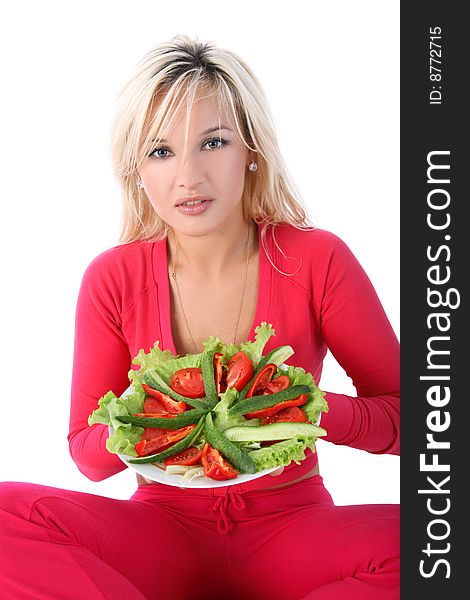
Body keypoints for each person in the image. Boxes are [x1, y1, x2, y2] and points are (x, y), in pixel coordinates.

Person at [0, 35, 399, 599]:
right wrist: (138, 421)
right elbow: (87, 457)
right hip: (162, 533)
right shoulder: (112, 277)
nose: (188, 176)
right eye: (161, 152)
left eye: (212, 143)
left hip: (293, 530)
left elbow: (416, 423)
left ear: (251, 150)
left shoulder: (316, 258)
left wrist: (302, 406)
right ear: (137, 168)